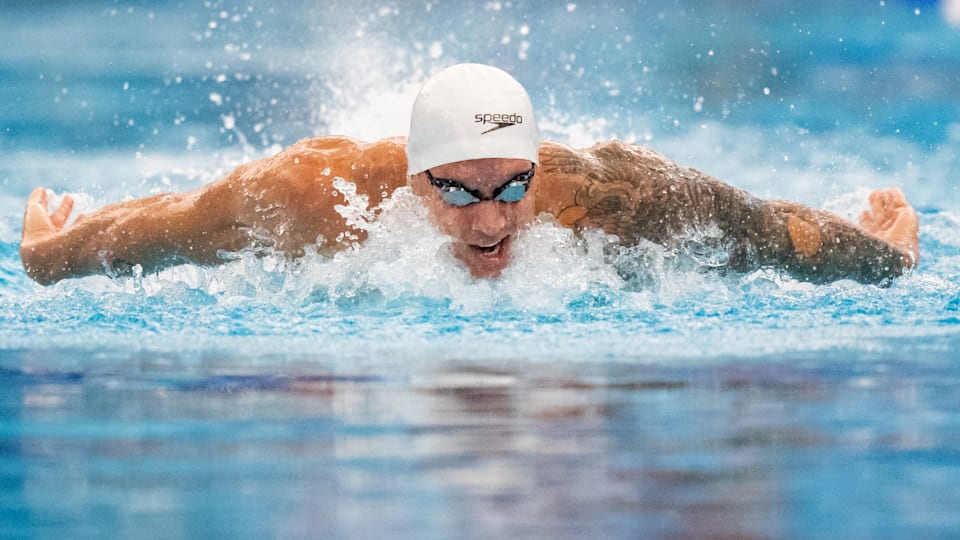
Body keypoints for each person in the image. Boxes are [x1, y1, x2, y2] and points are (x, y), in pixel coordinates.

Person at [20, 63, 919, 286]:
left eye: (511, 187)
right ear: (413, 181)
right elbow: (168, 224)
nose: (490, 222)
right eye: (456, 191)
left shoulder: (611, 196)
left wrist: (886, 260)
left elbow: (769, 231)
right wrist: (50, 255)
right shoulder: (312, 197)